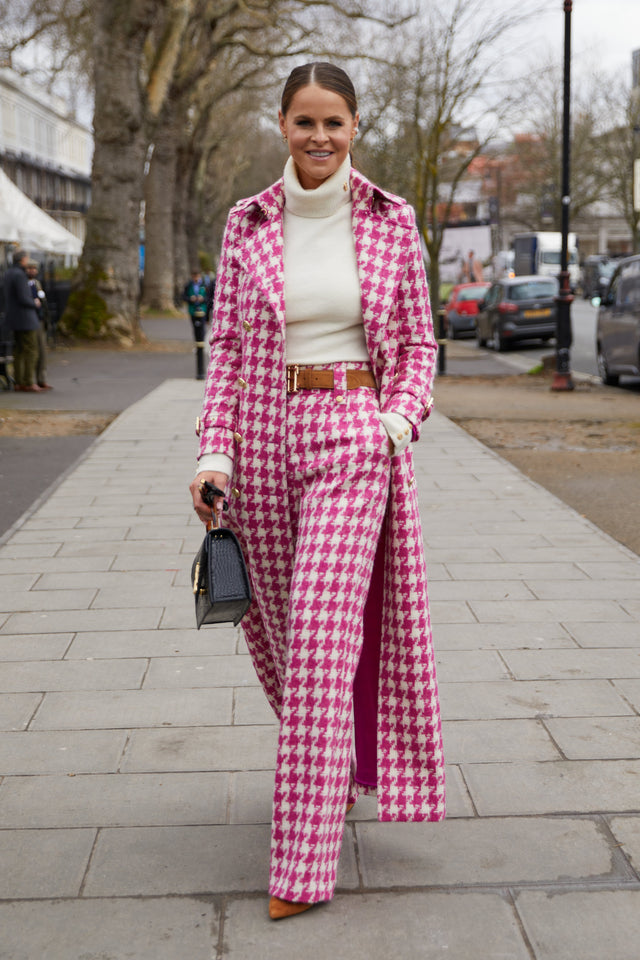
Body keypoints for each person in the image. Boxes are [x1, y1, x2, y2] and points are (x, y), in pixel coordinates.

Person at [189, 62, 445, 920]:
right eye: (305, 122)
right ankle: (330, 766)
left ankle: (301, 866)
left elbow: (419, 345)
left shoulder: (391, 218)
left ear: (356, 126)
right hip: (264, 442)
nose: (320, 137)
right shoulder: (248, 221)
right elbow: (227, 348)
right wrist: (212, 454)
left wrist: (393, 424)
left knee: (323, 642)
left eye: (334, 122)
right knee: (281, 638)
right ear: (283, 125)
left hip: (354, 438)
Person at [3, 249, 42, 392]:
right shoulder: (20, 274)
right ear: (23, 259)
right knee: (31, 350)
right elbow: (24, 297)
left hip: (13, 317)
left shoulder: (8, 273)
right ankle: (28, 381)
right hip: (26, 318)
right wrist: (35, 303)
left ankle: (18, 381)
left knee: (18, 350)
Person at [25, 260, 52, 390]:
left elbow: (43, 302)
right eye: (29, 268)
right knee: (33, 351)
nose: (32, 271)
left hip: (40, 320)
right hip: (30, 320)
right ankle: (30, 380)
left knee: (42, 350)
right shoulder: (24, 284)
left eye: (34, 269)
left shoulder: (37, 283)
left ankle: (42, 378)